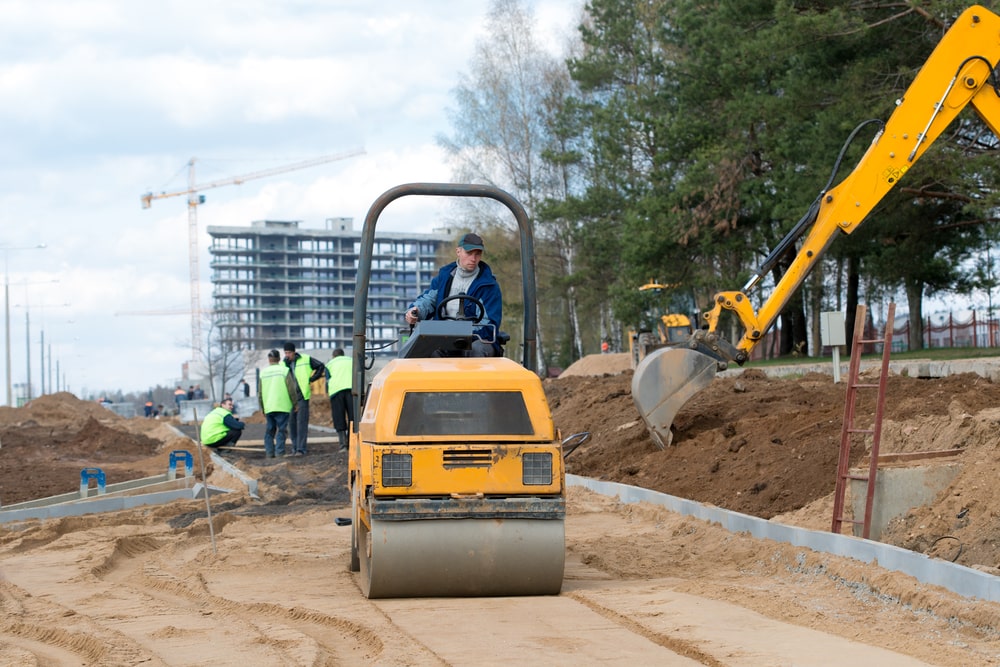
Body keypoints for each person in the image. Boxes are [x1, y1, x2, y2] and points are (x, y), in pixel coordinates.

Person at [403, 232, 503, 357]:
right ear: (458, 252)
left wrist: (461, 333)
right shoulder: (444, 277)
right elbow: (429, 299)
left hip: (476, 339)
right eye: (469, 253)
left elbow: (488, 324)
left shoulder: (489, 286)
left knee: (478, 350)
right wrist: (416, 310)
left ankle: (473, 377)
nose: (473, 258)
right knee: (428, 350)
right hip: (444, 337)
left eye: (477, 254)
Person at [283, 342, 325, 456]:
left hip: (302, 395)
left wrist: (312, 379)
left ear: (294, 352)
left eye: (289, 353)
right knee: (291, 424)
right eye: (285, 353)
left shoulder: (305, 359)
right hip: (289, 398)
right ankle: (294, 447)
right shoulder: (284, 364)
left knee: (301, 422)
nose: (287, 355)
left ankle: (301, 449)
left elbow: (321, 366)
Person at [258, 349, 298, 458]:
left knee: (270, 430)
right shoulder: (284, 371)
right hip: (282, 406)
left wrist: (262, 407)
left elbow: (260, 393)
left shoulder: (263, 373)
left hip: (269, 407)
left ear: (269, 360)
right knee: (281, 430)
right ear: (279, 359)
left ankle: (269, 453)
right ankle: (279, 453)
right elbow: (291, 389)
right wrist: (295, 404)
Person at [325, 348, 354, 452]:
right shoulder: (351, 360)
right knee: (353, 418)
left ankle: (343, 445)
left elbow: (327, 380)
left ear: (333, 356)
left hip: (336, 391)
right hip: (352, 390)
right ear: (343, 355)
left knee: (339, 418)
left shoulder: (329, 364)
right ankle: (352, 444)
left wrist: (327, 392)